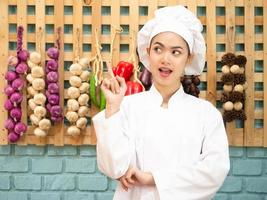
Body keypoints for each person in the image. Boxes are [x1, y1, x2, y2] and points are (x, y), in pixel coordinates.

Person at [93, 5, 230, 200]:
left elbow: (214, 172)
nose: (165, 59)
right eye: (158, 49)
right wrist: (113, 107)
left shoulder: (206, 114)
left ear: (188, 58)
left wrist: (154, 179)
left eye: (176, 52)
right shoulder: (127, 107)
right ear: (148, 52)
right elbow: (113, 168)